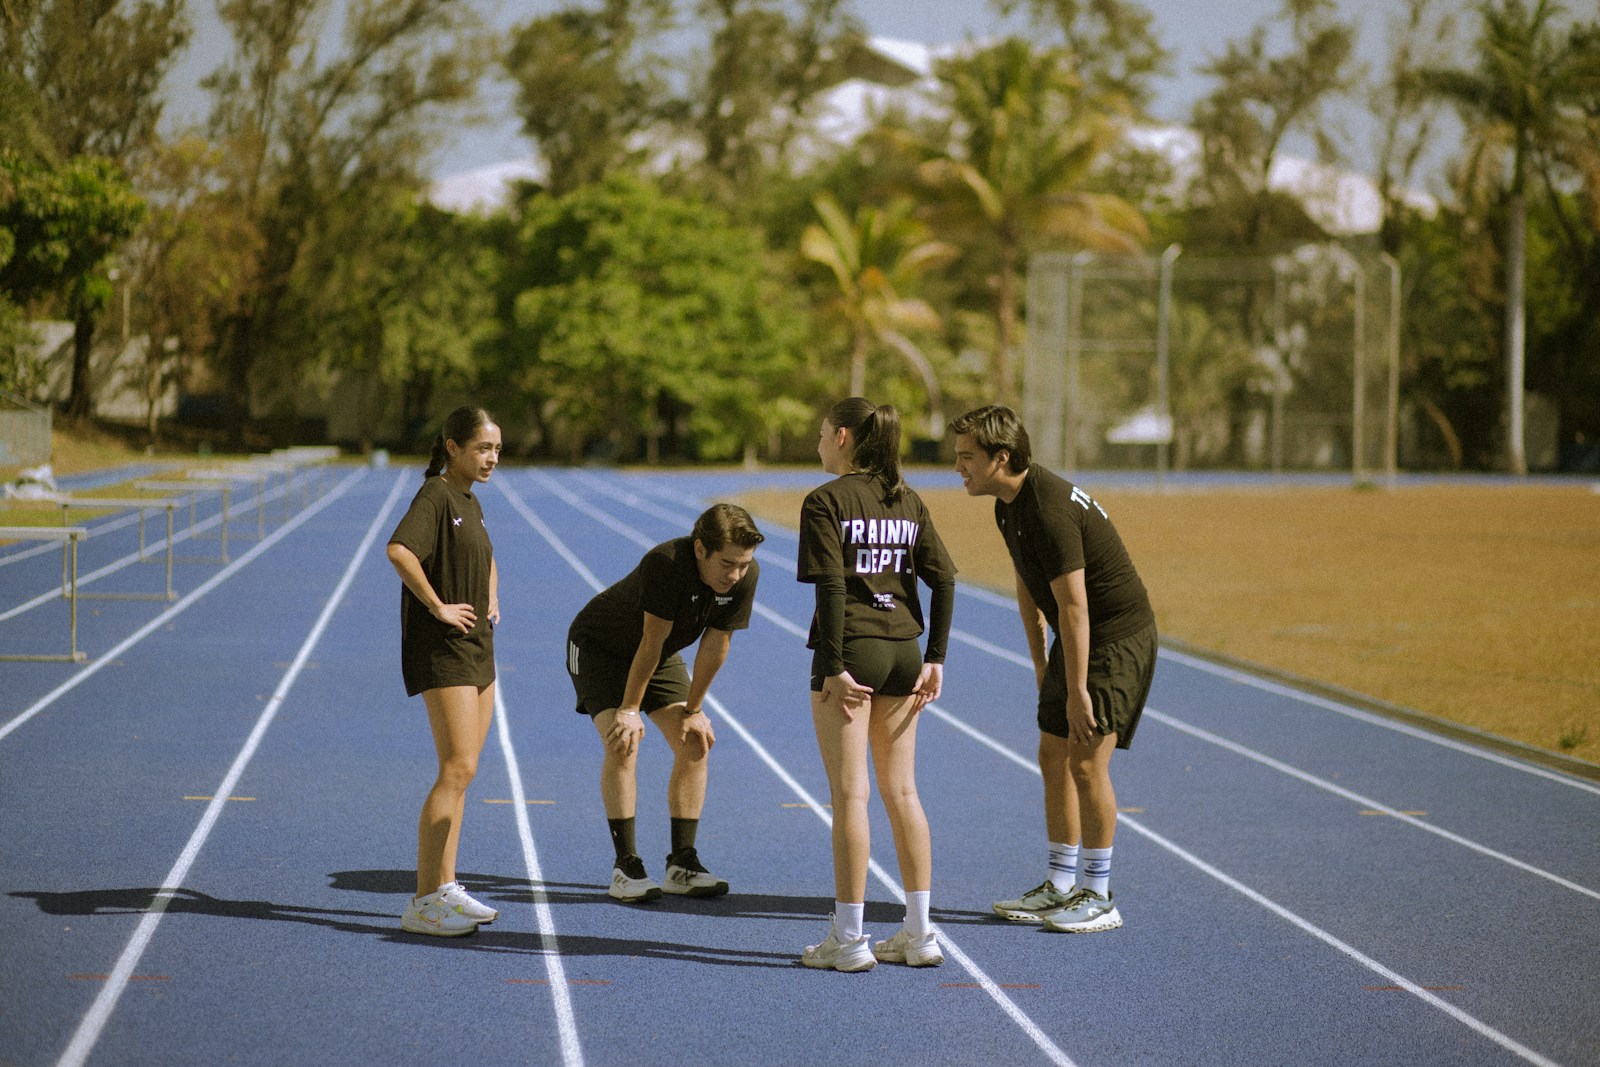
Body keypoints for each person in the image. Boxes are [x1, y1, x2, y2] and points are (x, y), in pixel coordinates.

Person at [950, 404, 1157, 934]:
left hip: (1115, 635)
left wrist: (1079, 688)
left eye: (967, 457)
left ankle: (1099, 894)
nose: (959, 467)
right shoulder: (1007, 506)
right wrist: (1041, 664)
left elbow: (1074, 606)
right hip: (1077, 635)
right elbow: (1028, 583)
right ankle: (1061, 884)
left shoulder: (1047, 507)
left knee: (1087, 763)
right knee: (1052, 753)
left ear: (1001, 457)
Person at [797, 398, 956, 972]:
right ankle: (919, 934)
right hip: (904, 652)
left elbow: (833, 590)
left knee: (851, 795)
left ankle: (850, 938)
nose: (816, 443)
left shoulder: (825, 501)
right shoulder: (907, 499)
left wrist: (835, 666)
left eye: (820, 433)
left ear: (842, 436)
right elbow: (944, 578)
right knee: (904, 792)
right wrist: (935, 656)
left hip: (854, 652)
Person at [566, 503, 763, 903]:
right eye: (727, 563)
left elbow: (717, 643)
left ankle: (682, 864)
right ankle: (626, 866)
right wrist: (628, 709)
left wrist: (693, 710)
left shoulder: (744, 574)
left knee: (695, 741)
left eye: (743, 565)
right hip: (599, 649)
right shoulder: (665, 565)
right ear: (699, 550)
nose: (735, 574)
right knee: (623, 739)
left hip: (656, 656)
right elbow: (650, 641)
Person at [387, 406, 504, 937]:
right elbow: (399, 550)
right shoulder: (435, 495)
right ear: (453, 446)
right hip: (445, 649)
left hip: (479, 648)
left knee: (467, 771)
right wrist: (437, 606)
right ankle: (423, 901)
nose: (492, 458)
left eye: (497, 450)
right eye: (483, 448)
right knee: (456, 767)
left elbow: (487, 553)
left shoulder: (470, 502)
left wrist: (492, 596)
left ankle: (447, 887)